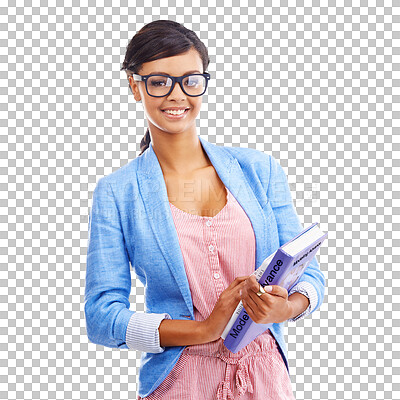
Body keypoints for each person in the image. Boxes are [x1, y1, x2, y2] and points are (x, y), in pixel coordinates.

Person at [84, 19, 326, 400]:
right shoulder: (117, 192)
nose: (177, 95)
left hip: (265, 379)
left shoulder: (259, 170)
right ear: (135, 86)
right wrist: (203, 329)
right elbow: (101, 317)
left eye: (190, 80)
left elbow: (308, 271)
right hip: (179, 382)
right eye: (159, 81)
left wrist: (287, 308)